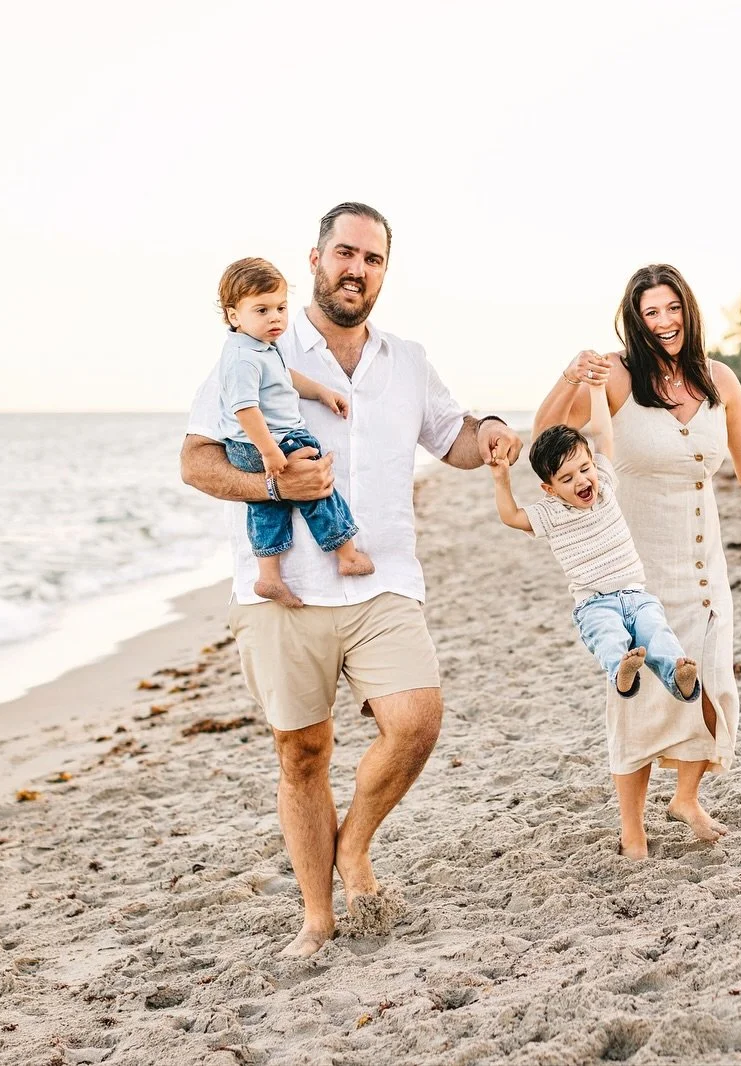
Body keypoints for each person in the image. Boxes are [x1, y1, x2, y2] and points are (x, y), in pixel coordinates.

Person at [180, 202, 523, 956]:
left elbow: (455, 439)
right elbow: (196, 460)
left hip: (384, 581)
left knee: (416, 723)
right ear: (315, 258)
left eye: (371, 259)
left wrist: (491, 429)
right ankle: (317, 914)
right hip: (286, 591)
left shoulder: (406, 359)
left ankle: (355, 846)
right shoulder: (257, 342)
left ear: (383, 271)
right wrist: (276, 489)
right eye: (344, 253)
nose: (355, 269)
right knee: (302, 755)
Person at [533, 264, 741, 860]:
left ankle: (686, 797)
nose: (664, 322)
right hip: (636, 566)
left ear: (689, 309)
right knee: (639, 691)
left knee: (710, 678)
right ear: (636, 319)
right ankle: (632, 826)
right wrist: (567, 375)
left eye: (672, 308)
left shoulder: (717, 379)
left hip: (705, 561)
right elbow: (547, 434)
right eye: (651, 312)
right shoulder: (617, 375)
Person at [490, 381, 700, 704]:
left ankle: (679, 676)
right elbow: (511, 516)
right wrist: (501, 480)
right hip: (595, 603)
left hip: (636, 594)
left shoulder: (603, 484)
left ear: (593, 464)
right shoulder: (550, 512)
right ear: (550, 489)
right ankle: (622, 672)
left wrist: (598, 389)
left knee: (657, 634)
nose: (582, 480)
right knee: (609, 637)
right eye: (567, 479)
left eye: (584, 469)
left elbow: (603, 434)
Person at [210, 257, 374, 607]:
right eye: (262, 310)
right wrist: (270, 451)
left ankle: (269, 577)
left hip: (250, 446)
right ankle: (346, 553)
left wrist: (321, 392)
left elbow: (287, 379)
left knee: (267, 505)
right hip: (271, 440)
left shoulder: (260, 348)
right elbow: (245, 408)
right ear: (234, 315)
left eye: (281, 308)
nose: (275, 318)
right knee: (316, 485)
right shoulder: (242, 358)